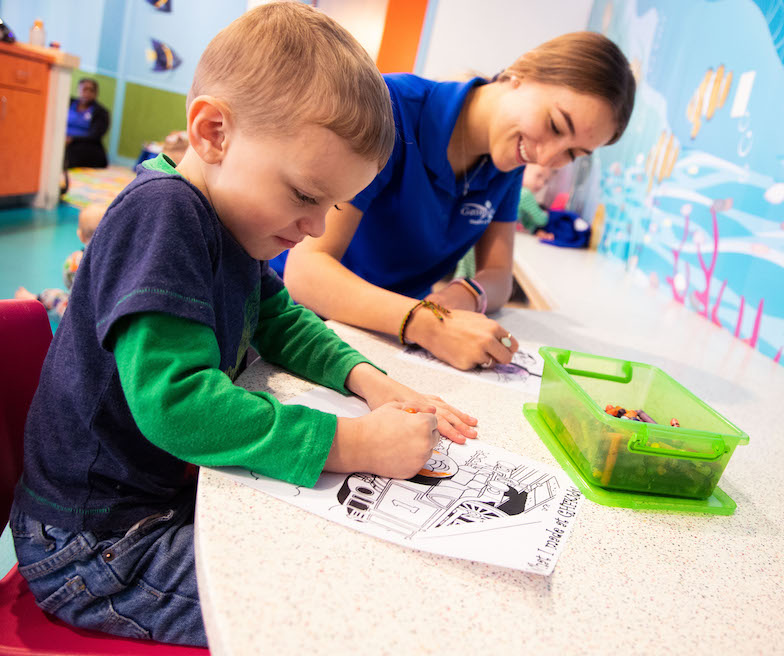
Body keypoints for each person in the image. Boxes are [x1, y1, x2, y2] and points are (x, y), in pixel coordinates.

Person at [10, 3, 476, 647]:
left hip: (158, 507)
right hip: (98, 549)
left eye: (332, 205)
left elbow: (280, 319)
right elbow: (179, 406)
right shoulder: (165, 216)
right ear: (212, 133)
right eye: (306, 196)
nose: (315, 228)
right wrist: (355, 445)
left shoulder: (236, 224)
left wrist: (372, 381)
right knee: (339, 616)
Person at [282, 32, 635, 371]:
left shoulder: (507, 161)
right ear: (521, 73)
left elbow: (498, 274)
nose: (546, 158)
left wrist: (466, 293)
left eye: (573, 153)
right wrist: (428, 324)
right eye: (556, 125)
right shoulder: (391, 107)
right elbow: (306, 271)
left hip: (388, 337)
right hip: (296, 323)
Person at [14, 203, 103, 319]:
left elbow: (69, 284)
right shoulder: (114, 258)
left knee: (54, 295)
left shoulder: (76, 260)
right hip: (108, 312)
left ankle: (36, 300)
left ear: (80, 235)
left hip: (82, 315)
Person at [65, 78, 110, 168]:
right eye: (85, 89)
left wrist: (72, 139)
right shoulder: (67, 103)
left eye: (91, 90)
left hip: (84, 144)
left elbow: (95, 136)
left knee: (73, 151)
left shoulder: (101, 112)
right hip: (62, 139)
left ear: (96, 93)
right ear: (78, 90)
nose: (87, 93)